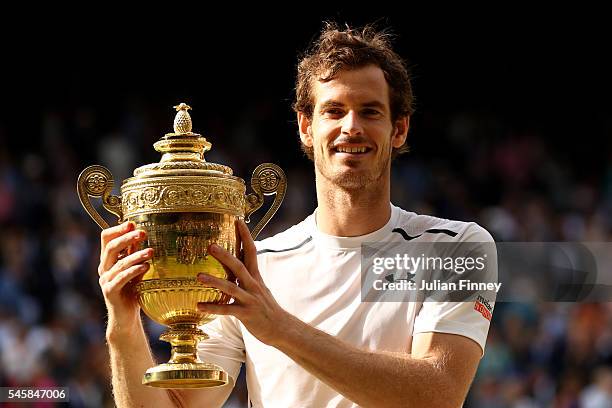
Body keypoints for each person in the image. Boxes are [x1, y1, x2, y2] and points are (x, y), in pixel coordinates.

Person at [97, 22, 497, 407]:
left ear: (400, 129)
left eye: (371, 111)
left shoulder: (457, 247)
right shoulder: (254, 268)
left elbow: (438, 396)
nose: (351, 127)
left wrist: (279, 328)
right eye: (334, 111)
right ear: (306, 126)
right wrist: (123, 326)